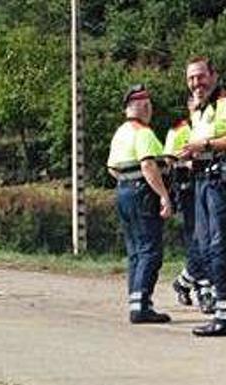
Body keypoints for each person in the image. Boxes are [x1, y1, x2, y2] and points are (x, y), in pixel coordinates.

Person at [106, 84, 172, 324]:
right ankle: (142, 305)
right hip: (143, 193)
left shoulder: (120, 133)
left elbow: (112, 168)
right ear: (145, 106)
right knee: (150, 249)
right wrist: (163, 194)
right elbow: (148, 165)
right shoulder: (143, 133)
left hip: (123, 191)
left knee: (135, 250)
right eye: (148, 104)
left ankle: (136, 301)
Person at [177, 57, 226, 336]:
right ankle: (220, 311)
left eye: (201, 76)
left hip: (220, 180)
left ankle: (223, 315)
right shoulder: (199, 109)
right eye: (191, 79)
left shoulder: (223, 102)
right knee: (208, 248)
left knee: (219, 248)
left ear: (214, 75)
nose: (196, 83)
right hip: (204, 178)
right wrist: (191, 152)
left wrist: (203, 144)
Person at [164, 97, 214, 314]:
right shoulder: (179, 129)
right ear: (189, 105)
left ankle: (183, 282)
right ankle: (204, 292)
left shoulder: (211, 124)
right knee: (198, 239)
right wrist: (188, 161)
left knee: (211, 239)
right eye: (195, 102)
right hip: (188, 188)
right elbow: (168, 159)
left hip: (211, 184)